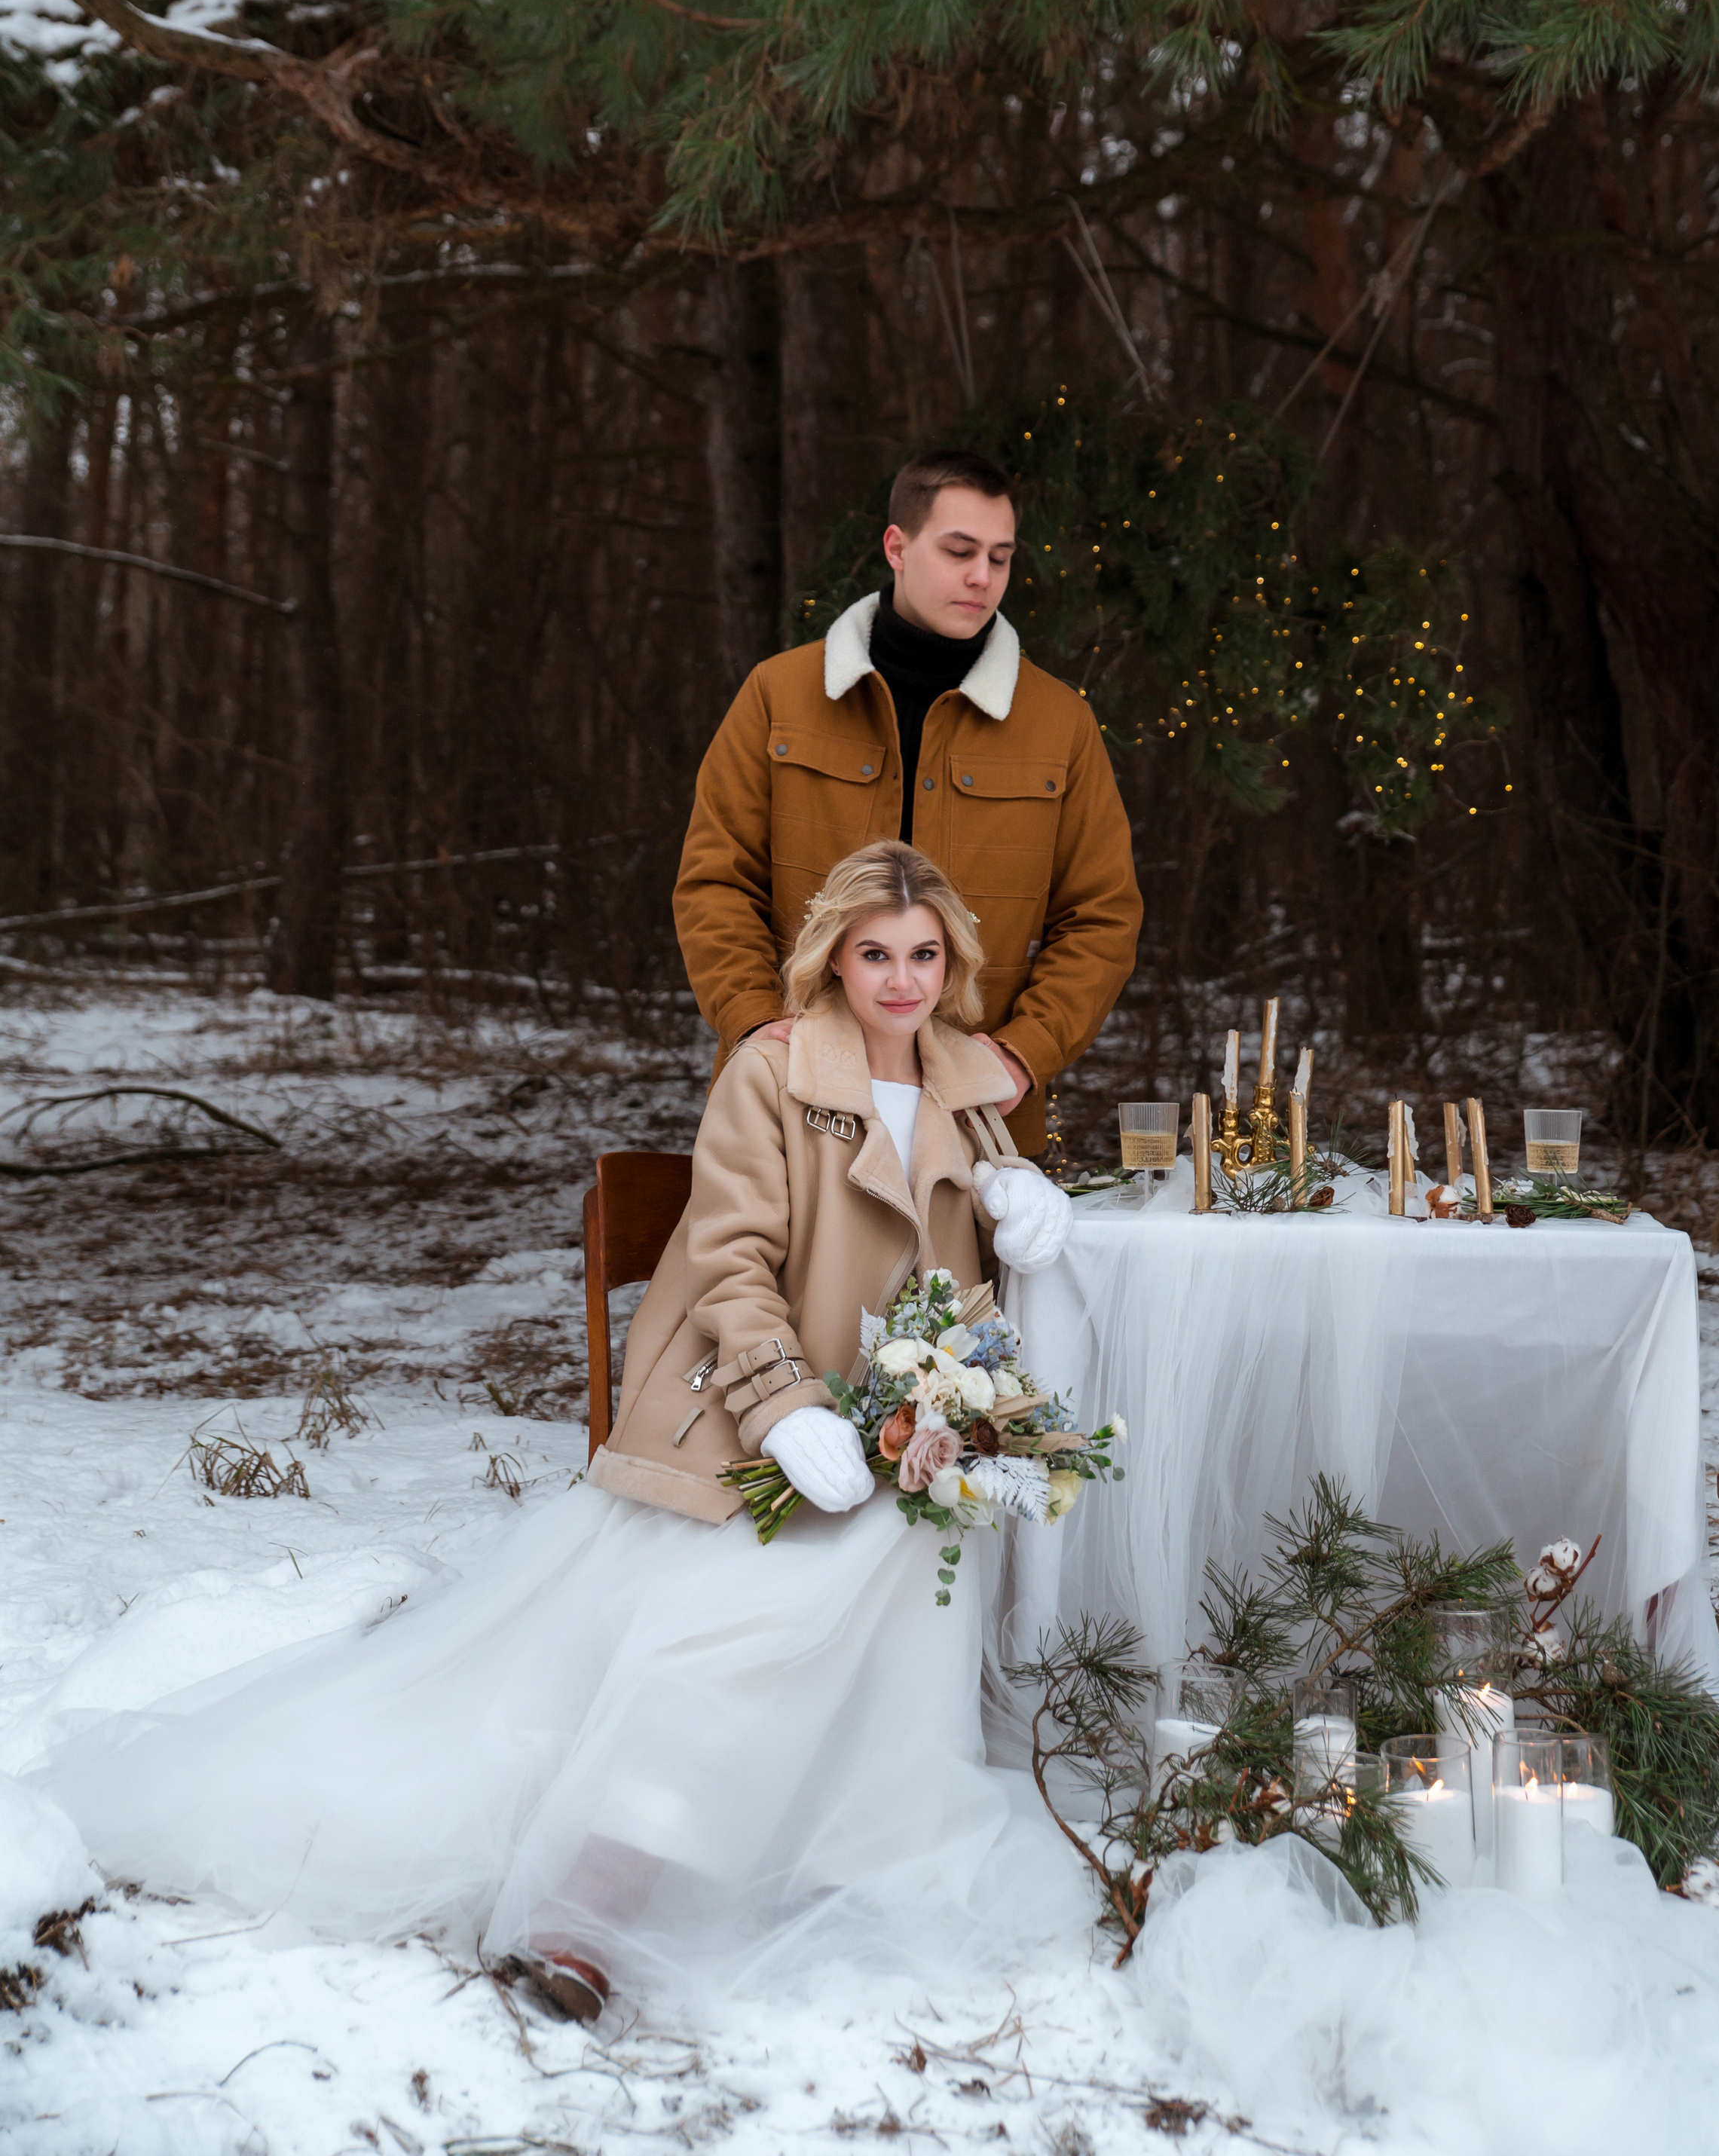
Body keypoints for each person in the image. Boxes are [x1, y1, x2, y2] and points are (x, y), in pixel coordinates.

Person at [28, 843, 1082, 2022]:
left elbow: (949, 1281)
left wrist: (1018, 1212)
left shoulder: (971, 1084)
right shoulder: (774, 1070)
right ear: (832, 955)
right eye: (875, 952)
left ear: (955, 960)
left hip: (900, 1435)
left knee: (915, 1568)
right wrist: (785, 1409)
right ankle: (586, 1911)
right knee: (742, 1627)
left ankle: (847, 1865)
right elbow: (730, 1259)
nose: (901, 979)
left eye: (924, 953)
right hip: (757, 1422)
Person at [674, 448, 1142, 1160]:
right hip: (791, 1103)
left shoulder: (1060, 723)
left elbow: (1103, 918)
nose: (982, 577)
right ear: (897, 545)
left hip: (975, 1120)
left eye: (1000, 557)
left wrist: (1023, 1053)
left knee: (967, 1280)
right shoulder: (778, 695)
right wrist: (752, 1022)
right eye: (959, 551)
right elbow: (716, 882)